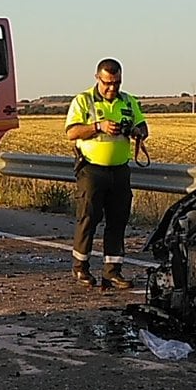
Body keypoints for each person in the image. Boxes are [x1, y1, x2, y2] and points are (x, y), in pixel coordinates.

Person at [63, 58, 148, 290]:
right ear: (97, 78)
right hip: (92, 169)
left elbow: (144, 127)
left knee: (118, 220)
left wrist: (136, 131)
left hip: (119, 170)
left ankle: (112, 271)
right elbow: (71, 132)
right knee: (88, 217)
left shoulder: (128, 102)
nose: (112, 88)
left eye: (117, 83)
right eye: (108, 83)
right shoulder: (83, 100)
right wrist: (98, 127)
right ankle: (80, 267)